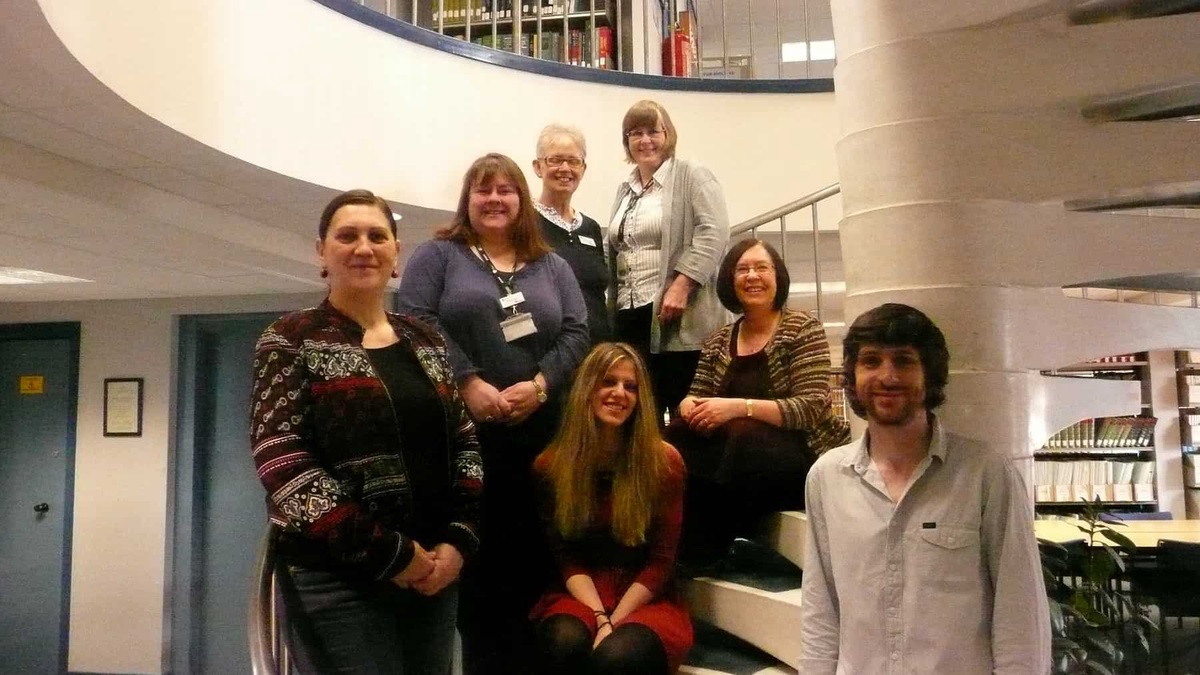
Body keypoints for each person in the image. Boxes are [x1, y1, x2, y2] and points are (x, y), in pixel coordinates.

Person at [249, 189, 483, 674]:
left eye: (378, 236)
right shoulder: (290, 338)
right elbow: (282, 461)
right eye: (347, 236)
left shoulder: (425, 339)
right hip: (337, 581)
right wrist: (391, 554)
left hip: (435, 575)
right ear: (322, 251)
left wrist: (459, 541)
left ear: (396, 254)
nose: (364, 247)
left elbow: (464, 442)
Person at [397, 153, 589, 675]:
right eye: (484, 190)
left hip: (543, 438)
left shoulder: (553, 265)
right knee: (479, 582)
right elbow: (414, 317)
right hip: (464, 439)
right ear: (468, 200)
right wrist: (468, 381)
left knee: (538, 569)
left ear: (523, 201)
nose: (495, 199)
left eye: (506, 190)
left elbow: (576, 331)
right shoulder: (440, 256)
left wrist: (542, 384)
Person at [798, 303, 1051, 674]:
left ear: (929, 375)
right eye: (871, 361)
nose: (887, 376)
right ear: (852, 377)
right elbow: (821, 610)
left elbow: (1019, 611)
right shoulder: (827, 477)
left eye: (903, 361)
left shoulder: (986, 474)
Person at [666, 238, 850, 565]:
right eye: (742, 269)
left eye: (761, 268)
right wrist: (689, 405)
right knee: (673, 436)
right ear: (729, 281)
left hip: (798, 455)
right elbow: (696, 392)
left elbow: (809, 408)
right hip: (736, 462)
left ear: (777, 277)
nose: (752, 276)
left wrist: (737, 407)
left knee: (741, 433)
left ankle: (705, 545)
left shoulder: (802, 328)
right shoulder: (719, 339)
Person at [531, 343, 693, 674]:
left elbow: (661, 562)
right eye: (608, 382)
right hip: (582, 592)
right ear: (587, 388)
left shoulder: (665, 462)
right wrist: (599, 616)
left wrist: (611, 623)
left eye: (630, 386)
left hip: (647, 597)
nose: (619, 393)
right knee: (562, 644)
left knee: (616, 658)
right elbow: (565, 557)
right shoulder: (550, 465)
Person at [607, 99, 730, 419]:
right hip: (631, 316)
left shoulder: (693, 174)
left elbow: (714, 231)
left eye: (653, 131)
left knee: (684, 416)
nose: (645, 140)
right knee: (639, 418)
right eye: (635, 133)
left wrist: (681, 284)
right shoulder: (626, 189)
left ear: (668, 134)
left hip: (677, 317)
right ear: (627, 142)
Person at [533, 123, 611, 345]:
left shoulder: (591, 228)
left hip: (595, 353)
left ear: (583, 169)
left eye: (574, 161)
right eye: (555, 160)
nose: (565, 168)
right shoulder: (524, 222)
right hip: (548, 351)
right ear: (538, 167)